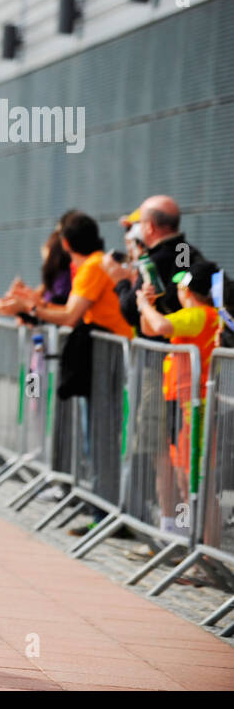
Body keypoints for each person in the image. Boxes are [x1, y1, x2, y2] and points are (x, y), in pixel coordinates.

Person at [137, 261, 223, 542]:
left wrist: (144, 304)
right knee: (187, 481)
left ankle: (207, 552)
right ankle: (197, 549)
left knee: (198, 483)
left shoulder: (199, 315)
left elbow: (159, 324)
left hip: (193, 406)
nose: (177, 289)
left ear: (189, 289)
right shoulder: (195, 316)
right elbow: (151, 330)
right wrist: (146, 306)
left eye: (181, 285)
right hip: (182, 404)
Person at [102, 195, 217, 341]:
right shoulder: (186, 250)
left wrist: (121, 281)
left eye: (140, 223)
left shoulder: (153, 262)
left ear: (149, 227)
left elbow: (130, 311)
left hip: (166, 347)